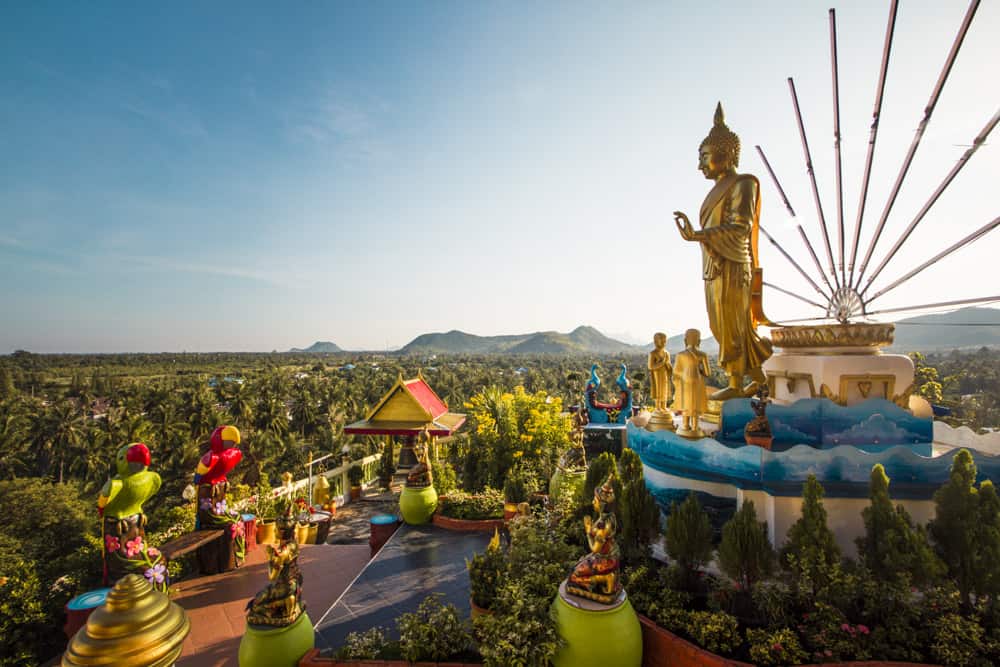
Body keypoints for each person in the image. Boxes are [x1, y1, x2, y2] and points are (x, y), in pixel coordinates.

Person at [673, 103, 772, 400]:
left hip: (732, 264)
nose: (700, 165)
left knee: (733, 326)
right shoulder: (716, 190)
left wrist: (698, 235)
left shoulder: (744, 184)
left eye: (704, 157)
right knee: (721, 326)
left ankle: (736, 383)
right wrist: (698, 238)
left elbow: (741, 227)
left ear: (726, 154)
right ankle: (759, 379)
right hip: (714, 266)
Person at [673, 329, 711, 438]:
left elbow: (676, 372)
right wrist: (699, 369)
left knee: (686, 405)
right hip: (698, 382)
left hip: (685, 383)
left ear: (685, 340)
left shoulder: (680, 355)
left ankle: (685, 426)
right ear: (699, 341)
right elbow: (707, 373)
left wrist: (680, 379)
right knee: (695, 406)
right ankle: (695, 427)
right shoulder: (702, 355)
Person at [647, 332, 672, 413]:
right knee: (658, 390)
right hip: (657, 375)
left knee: (664, 390)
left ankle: (664, 406)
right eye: (662, 341)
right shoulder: (653, 353)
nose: (664, 343)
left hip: (665, 375)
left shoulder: (667, 353)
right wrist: (662, 363)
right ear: (656, 341)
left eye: (665, 341)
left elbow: (669, 365)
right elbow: (650, 366)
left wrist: (668, 365)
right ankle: (658, 407)